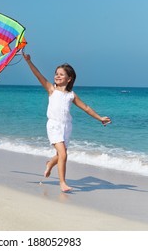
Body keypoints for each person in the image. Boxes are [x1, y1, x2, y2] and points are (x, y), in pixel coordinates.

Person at [23, 53, 111, 192]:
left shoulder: (71, 95)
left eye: (61, 74)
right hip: (54, 125)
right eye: (56, 73)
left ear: (69, 79)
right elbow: (38, 75)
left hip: (67, 127)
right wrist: (29, 62)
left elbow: (86, 108)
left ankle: (50, 164)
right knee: (63, 155)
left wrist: (100, 118)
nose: (57, 76)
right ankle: (62, 183)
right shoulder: (51, 89)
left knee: (60, 155)